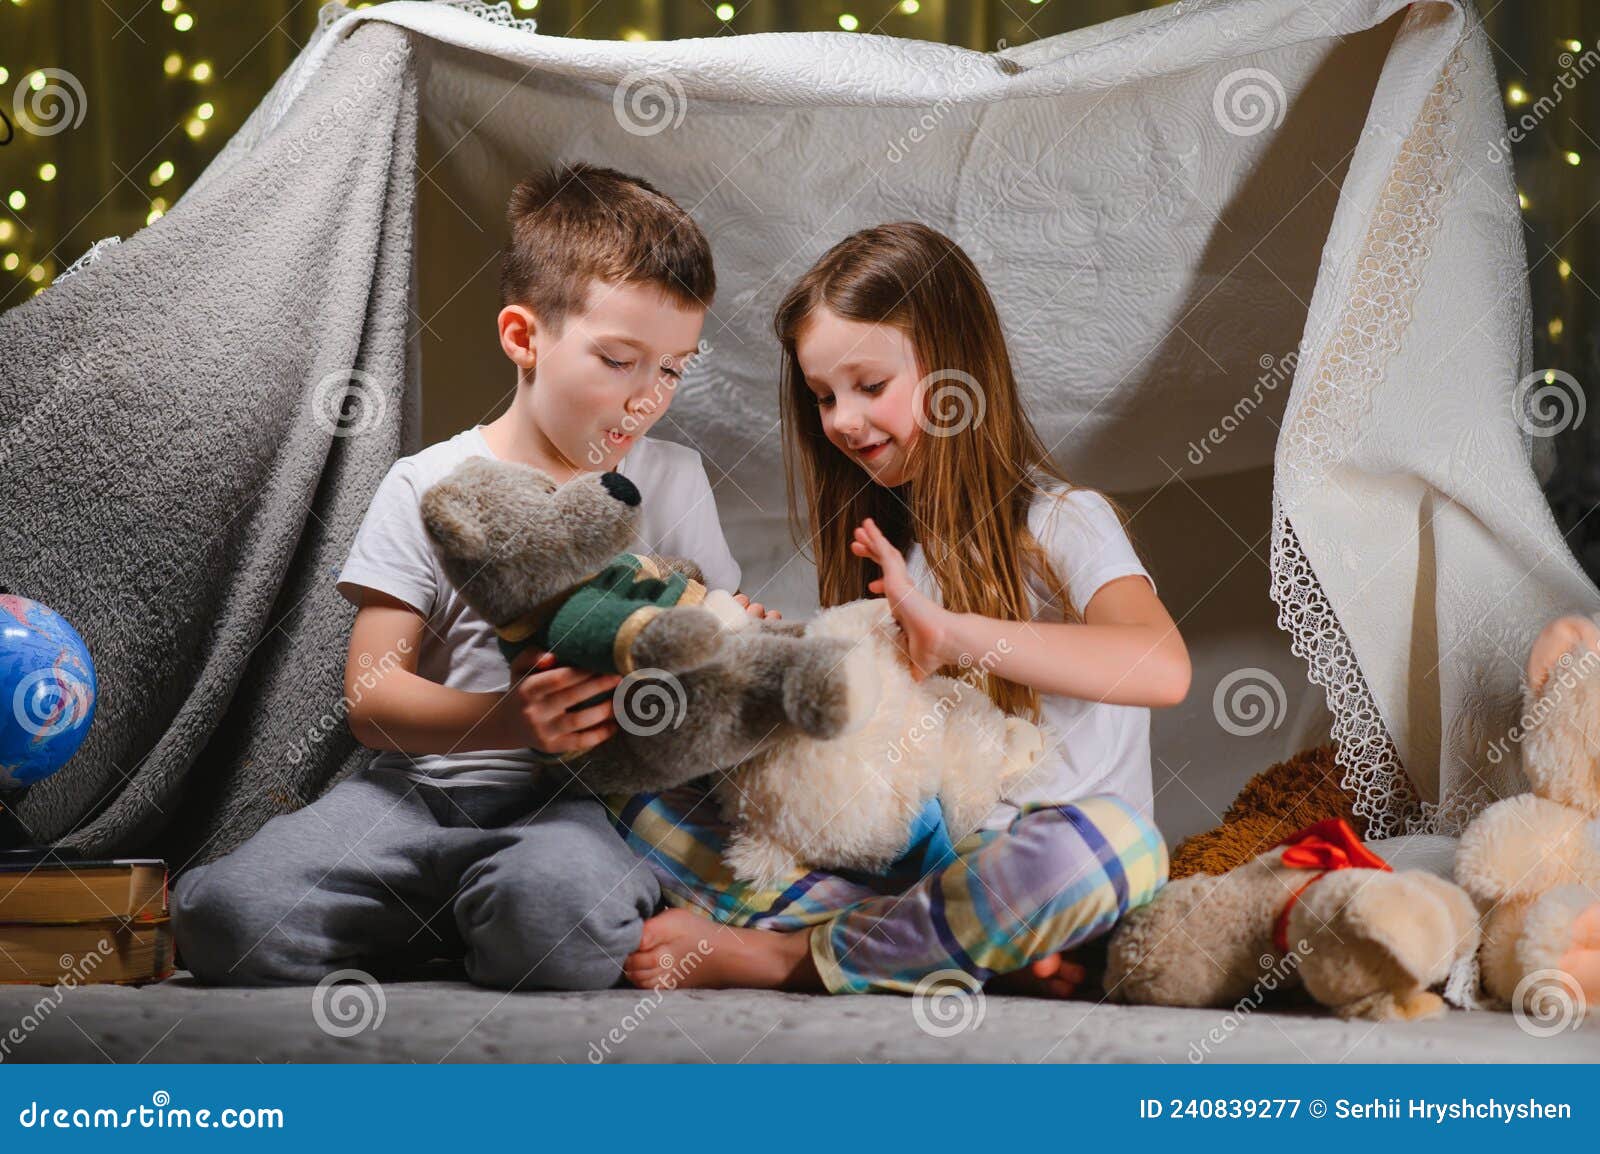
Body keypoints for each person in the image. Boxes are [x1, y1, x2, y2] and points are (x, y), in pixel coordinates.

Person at [173, 164, 771, 990]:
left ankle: (486, 920)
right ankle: (453, 921)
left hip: (583, 809)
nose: (646, 401)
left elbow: (709, 646)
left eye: (671, 369)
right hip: (417, 798)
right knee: (227, 922)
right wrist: (511, 721)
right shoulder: (429, 483)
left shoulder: (672, 479)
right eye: (618, 360)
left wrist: (737, 643)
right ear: (524, 338)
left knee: (557, 926)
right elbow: (374, 699)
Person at [618, 221, 1187, 997]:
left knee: (1122, 850)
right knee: (633, 790)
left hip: (1050, 862)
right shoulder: (888, 542)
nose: (842, 421)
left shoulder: (1062, 521)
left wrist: (954, 634)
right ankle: (940, 946)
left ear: (955, 370)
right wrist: (767, 663)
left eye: (870, 386)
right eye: (823, 397)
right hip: (920, 863)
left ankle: (789, 958)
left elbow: (1162, 667)